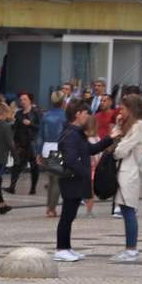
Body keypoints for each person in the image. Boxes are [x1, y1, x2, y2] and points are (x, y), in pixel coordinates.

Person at [109, 93, 142, 262]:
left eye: (124, 108)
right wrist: (119, 126)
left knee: (128, 210)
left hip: (129, 173)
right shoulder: (132, 126)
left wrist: (118, 139)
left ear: (132, 110)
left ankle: (131, 249)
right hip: (126, 172)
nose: (121, 111)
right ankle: (129, 248)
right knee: (126, 210)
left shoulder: (138, 127)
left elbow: (120, 151)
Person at [53, 98, 95, 262]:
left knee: (70, 216)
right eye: (85, 113)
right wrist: (84, 172)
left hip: (76, 179)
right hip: (71, 180)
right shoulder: (71, 134)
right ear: (78, 114)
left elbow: (90, 149)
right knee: (67, 216)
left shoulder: (77, 133)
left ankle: (67, 247)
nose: (88, 116)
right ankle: (60, 249)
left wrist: (110, 140)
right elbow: (70, 160)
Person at [38, 88, 65, 218]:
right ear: (62, 101)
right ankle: (51, 208)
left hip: (47, 147)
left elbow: (40, 135)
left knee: (50, 178)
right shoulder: (65, 116)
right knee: (57, 180)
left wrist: (38, 152)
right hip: (58, 148)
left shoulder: (46, 115)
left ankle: (49, 206)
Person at [9, 91, 39, 194]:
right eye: (21, 100)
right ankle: (12, 187)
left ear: (30, 100)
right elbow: (15, 128)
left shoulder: (36, 112)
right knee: (17, 165)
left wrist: (30, 124)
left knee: (34, 166)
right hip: (20, 143)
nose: (23, 101)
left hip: (32, 143)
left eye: (25, 99)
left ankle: (33, 188)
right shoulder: (18, 113)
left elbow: (40, 127)